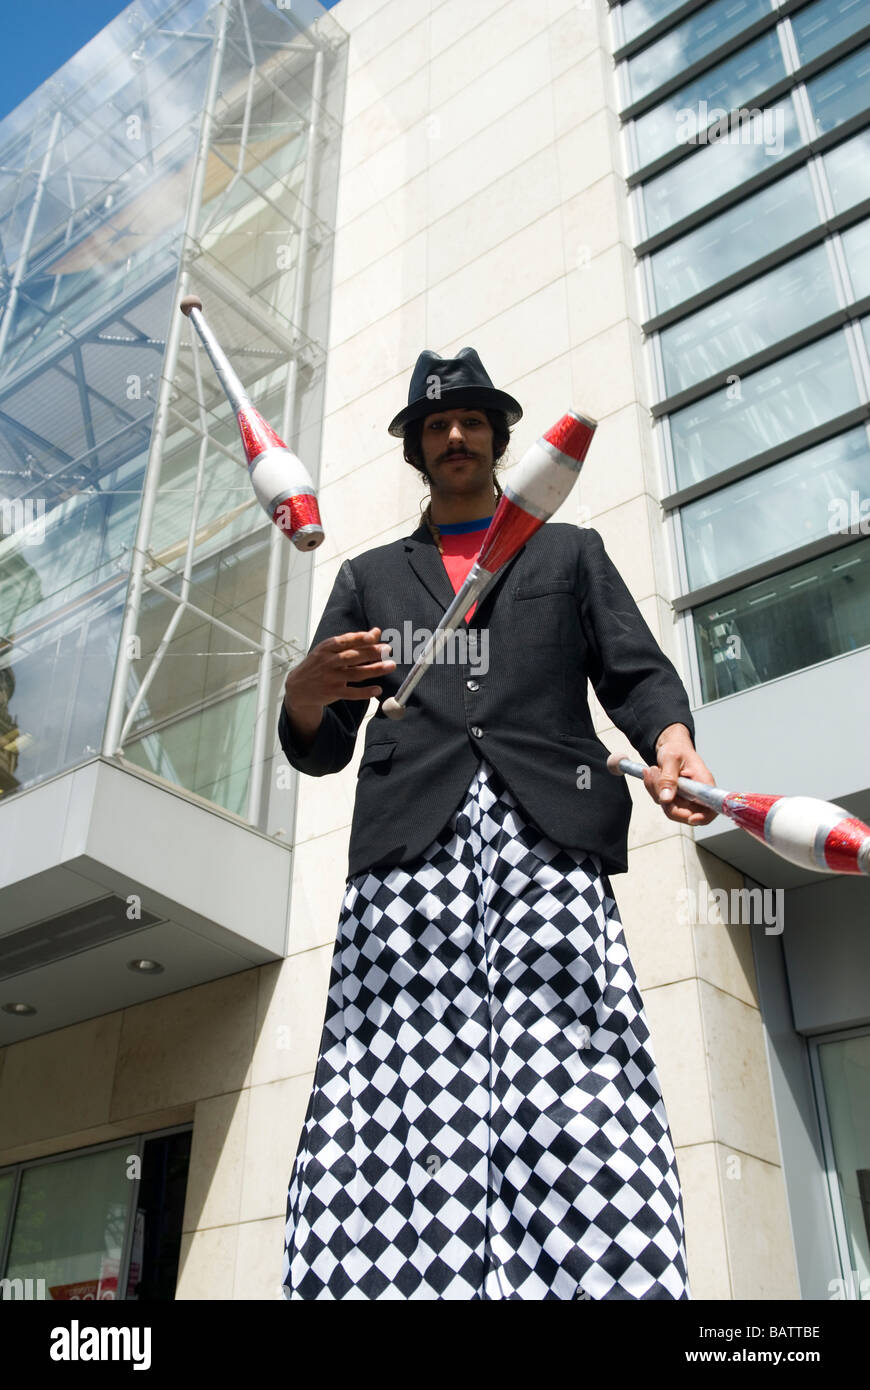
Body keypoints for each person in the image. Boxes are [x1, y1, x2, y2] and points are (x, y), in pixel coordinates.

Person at [278, 347, 716, 1301]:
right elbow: (321, 746)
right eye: (437, 424)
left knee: (574, 1063)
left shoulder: (568, 552)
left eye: (472, 419)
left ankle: (602, 1273)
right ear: (417, 448)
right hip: (407, 856)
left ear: (499, 435)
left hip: (546, 838)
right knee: (396, 1073)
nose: (456, 435)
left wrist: (674, 740)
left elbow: (636, 674)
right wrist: (305, 696)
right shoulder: (367, 577)